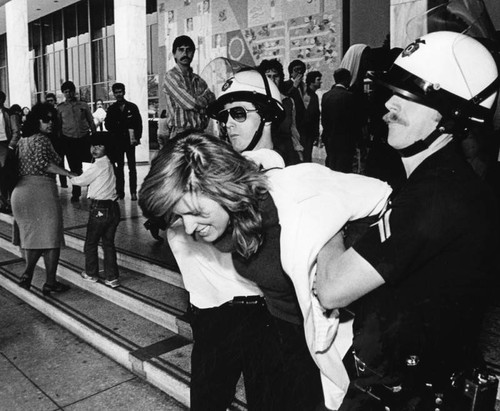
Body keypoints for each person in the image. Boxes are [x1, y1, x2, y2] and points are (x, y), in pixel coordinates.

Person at [139, 132, 392, 410]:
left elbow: (380, 198)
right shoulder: (233, 220)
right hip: (288, 335)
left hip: (343, 342)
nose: (188, 228)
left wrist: (335, 238)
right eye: (180, 215)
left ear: (223, 187)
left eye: (196, 212)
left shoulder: (296, 207)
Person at [316, 31, 500, 410]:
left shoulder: (436, 196)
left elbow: (332, 287)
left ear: (453, 115)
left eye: (409, 97)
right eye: (392, 91)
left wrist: (326, 212)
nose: (388, 105)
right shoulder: (437, 183)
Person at [12, 103, 75, 295]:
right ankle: (50, 282)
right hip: (40, 191)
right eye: (45, 119)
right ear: (36, 120)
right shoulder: (41, 139)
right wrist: (70, 174)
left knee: (33, 238)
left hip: (20, 192)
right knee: (51, 238)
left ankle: (27, 274)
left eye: (52, 120)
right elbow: (43, 163)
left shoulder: (23, 140)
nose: (50, 123)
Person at [70, 132, 120, 288]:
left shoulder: (99, 165)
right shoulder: (110, 163)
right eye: (93, 145)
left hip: (100, 209)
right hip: (113, 208)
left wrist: (69, 175)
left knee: (91, 242)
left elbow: (81, 181)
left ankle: (91, 273)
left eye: (99, 145)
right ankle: (112, 277)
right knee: (108, 243)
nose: (94, 149)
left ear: (107, 147)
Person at [162, 35, 215, 140]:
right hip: (180, 133)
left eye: (188, 50)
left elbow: (212, 100)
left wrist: (200, 103)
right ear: (174, 54)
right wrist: (204, 102)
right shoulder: (170, 76)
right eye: (181, 50)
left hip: (199, 132)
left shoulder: (198, 80)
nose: (185, 54)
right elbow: (189, 103)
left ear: (193, 53)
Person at [57, 80, 96, 202]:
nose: (68, 94)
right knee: (74, 167)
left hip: (84, 138)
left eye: (70, 91)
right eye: (66, 92)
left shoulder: (83, 105)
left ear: (74, 91)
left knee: (91, 163)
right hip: (69, 140)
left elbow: (90, 121)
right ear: (63, 93)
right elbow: (58, 126)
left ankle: (92, 188)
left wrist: (94, 135)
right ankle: (76, 192)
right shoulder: (60, 108)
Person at [258, 59, 303, 165]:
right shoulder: (258, 102)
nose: (272, 80)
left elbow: (293, 128)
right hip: (266, 153)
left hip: (287, 152)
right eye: (268, 76)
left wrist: (299, 150)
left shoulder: (288, 101)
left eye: (275, 76)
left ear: (281, 77)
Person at [104, 82, 142, 201]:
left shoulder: (132, 107)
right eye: (116, 92)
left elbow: (139, 124)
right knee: (119, 168)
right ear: (113, 94)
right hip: (118, 143)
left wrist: (137, 138)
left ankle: (133, 192)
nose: (118, 94)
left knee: (132, 167)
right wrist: (116, 129)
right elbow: (107, 125)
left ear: (124, 92)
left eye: (120, 92)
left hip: (130, 141)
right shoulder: (111, 109)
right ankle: (120, 192)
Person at [321, 68, 363, 172]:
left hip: (330, 138)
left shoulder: (326, 96)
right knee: (344, 168)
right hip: (345, 139)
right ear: (346, 79)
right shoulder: (349, 96)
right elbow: (354, 120)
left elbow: (324, 119)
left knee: (332, 166)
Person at [0, 91, 21, 213]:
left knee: (6, 175)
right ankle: (2, 202)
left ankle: (9, 202)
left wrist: (11, 147)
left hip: (6, 146)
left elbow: (16, 132)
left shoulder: (10, 114)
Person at [45, 92, 67, 188]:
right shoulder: (44, 113)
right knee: (50, 162)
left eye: (51, 100)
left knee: (60, 162)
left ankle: (63, 183)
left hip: (58, 140)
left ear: (55, 101)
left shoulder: (58, 112)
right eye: (48, 101)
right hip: (48, 140)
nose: (50, 102)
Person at [301, 70, 322, 162]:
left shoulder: (313, 95)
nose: (320, 82)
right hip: (306, 131)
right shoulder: (307, 94)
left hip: (309, 132)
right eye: (318, 79)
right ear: (312, 81)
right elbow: (310, 114)